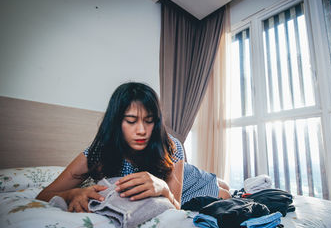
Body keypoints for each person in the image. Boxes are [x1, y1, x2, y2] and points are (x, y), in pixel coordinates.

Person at [36, 82, 230, 212]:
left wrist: (163, 187)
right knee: (225, 195)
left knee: (226, 189)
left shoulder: (170, 146)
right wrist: (71, 194)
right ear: (116, 122)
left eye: (149, 121)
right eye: (131, 121)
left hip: (184, 178)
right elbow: (43, 195)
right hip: (178, 193)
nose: (142, 131)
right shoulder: (96, 153)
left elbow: (175, 205)